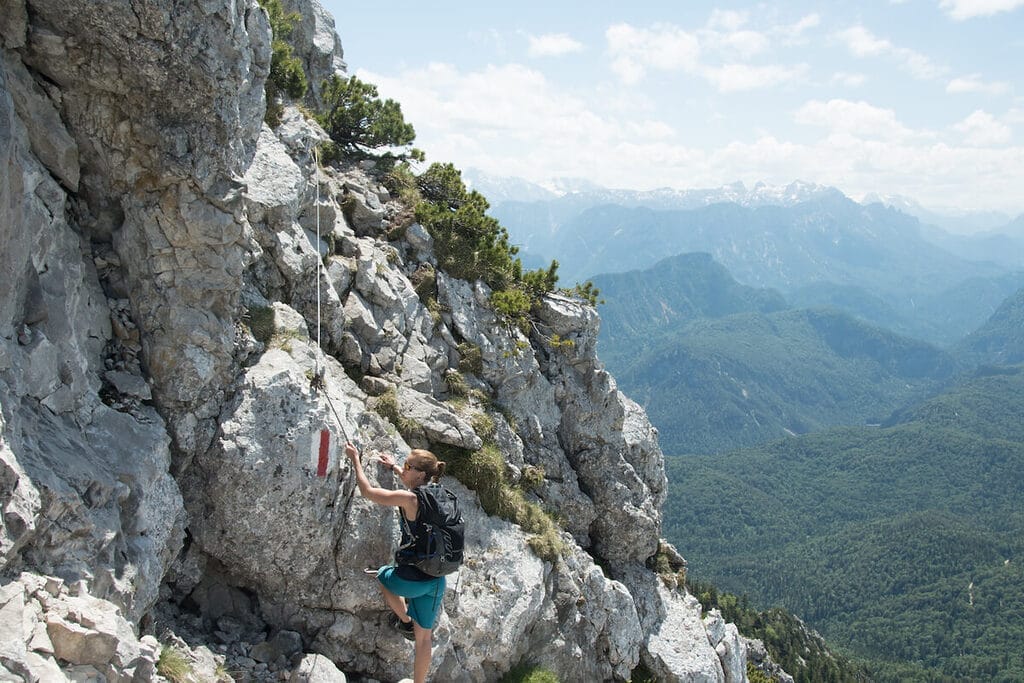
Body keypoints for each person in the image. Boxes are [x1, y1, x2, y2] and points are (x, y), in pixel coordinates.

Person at [344, 442, 448, 683]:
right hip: (437, 580)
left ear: (420, 473)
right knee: (424, 639)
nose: (404, 468)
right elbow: (413, 486)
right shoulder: (439, 495)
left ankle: (404, 620)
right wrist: (395, 469)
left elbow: (368, 492)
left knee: (384, 577)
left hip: (412, 581)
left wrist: (356, 459)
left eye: (407, 466)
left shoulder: (409, 499)